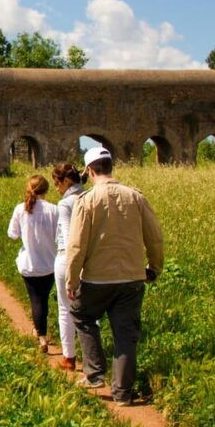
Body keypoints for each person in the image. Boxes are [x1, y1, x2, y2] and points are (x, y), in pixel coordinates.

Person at [66, 147, 164, 406]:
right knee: (126, 334)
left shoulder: (86, 201)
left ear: (89, 170)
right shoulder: (135, 196)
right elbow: (154, 236)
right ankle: (123, 394)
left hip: (97, 279)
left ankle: (95, 373)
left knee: (81, 314)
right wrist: (154, 267)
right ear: (110, 167)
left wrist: (72, 280)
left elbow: (76, 246)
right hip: (132, 278)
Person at [8, 175, 58, 353]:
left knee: (36, 300)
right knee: (43, 299)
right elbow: (59, 236)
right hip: (50, 264)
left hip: (29, 264)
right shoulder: (54, 210)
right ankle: (41, 331)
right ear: (46, 190)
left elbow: (12, 235)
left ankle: (41, 337)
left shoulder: (20, 209)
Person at [51, 163, 87, 371]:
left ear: (66, 181)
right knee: (89, 310)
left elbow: (68, 235)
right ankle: (93, 357)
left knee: (66, 309)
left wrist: (73, 271)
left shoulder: (65, 204)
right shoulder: (89, 197)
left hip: (68, 258)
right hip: (89, 259)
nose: (56, 188)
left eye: (57, 183)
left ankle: (69, 358)